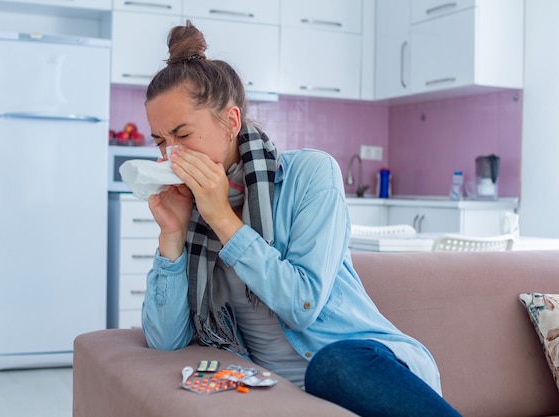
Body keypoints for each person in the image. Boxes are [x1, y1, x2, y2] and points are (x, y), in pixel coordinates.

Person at [141, 20, 462, 417]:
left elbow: (302, 304)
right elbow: (164, 342)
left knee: (333, 366)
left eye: (183, 134)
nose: (171, 156)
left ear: (231, 122)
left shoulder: (311, 174)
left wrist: (223, 217)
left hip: (362, 368)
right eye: (160, 142)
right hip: (284, 392)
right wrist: (171, 235)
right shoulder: (190, 211)